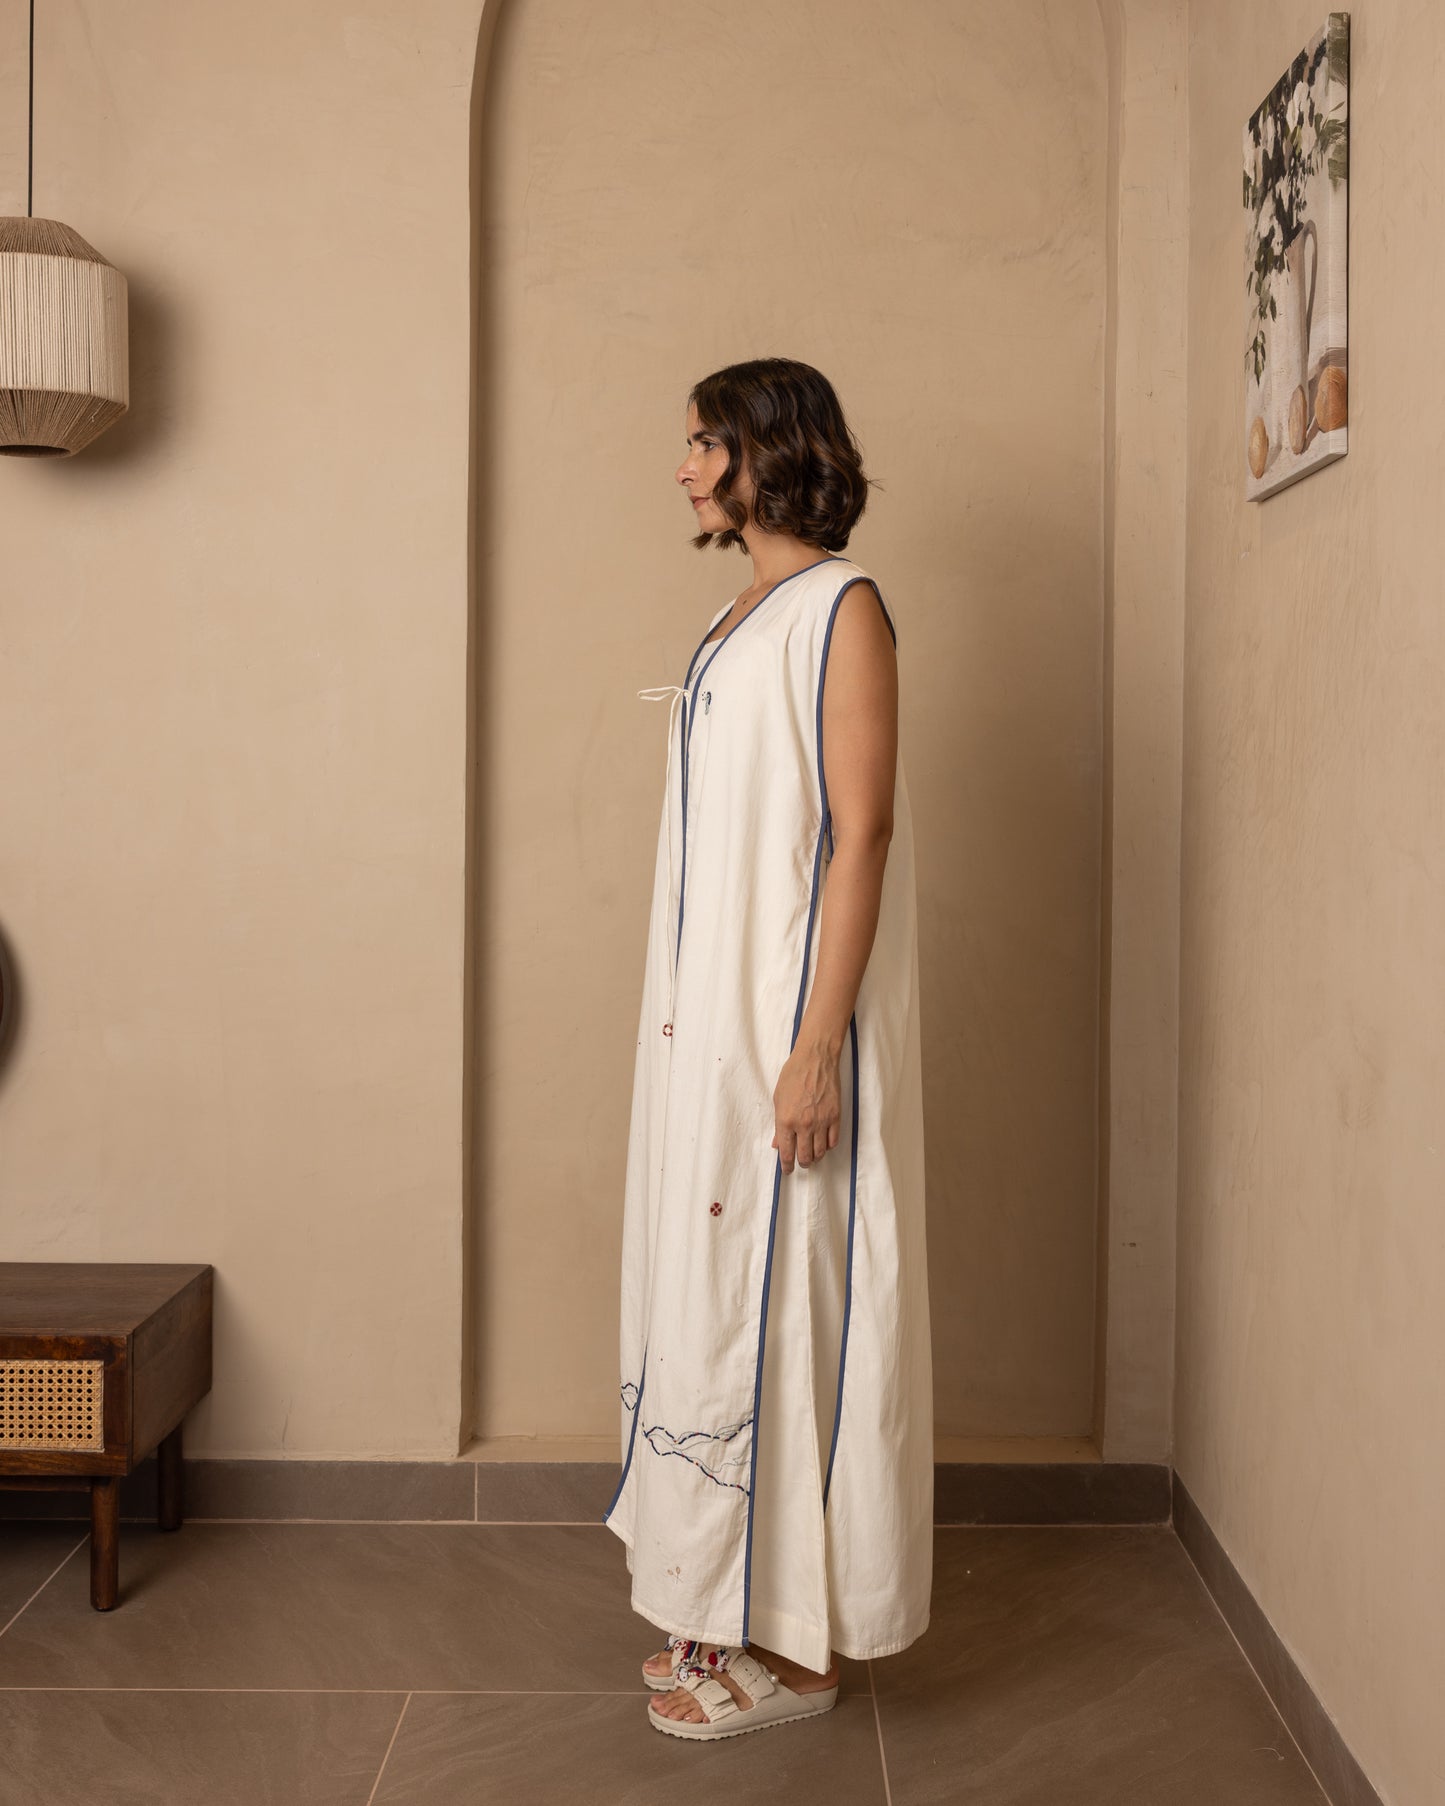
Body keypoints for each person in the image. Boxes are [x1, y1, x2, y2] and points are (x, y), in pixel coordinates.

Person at [604, 357, 932, 1742]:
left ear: (769, 450)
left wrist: (815, 1049)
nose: (685, 466)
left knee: (789, 1302)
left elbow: (860, 832)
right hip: (709, 1032)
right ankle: (721, 1600)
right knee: (715, 1292)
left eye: (706, 442)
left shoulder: (842, 609)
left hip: (787, 1025)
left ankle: (801, 1655)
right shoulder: (735, 616)